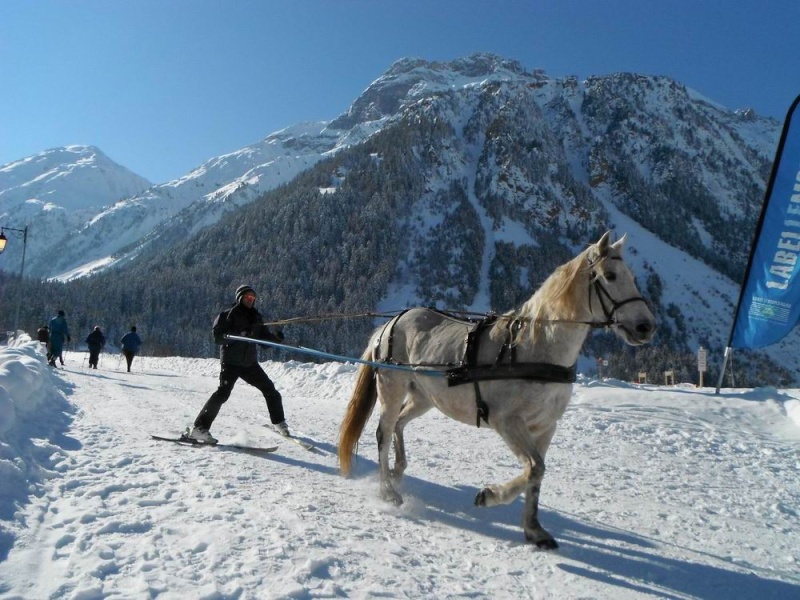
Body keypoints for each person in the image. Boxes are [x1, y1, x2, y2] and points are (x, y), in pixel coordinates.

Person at [188, 284, 287, 444]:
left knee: (270, 390)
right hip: (231, 362)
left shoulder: (256, 318)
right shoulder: (227, 315)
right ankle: (199, 429)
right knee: (223, 394)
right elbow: (218, 337)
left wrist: (277, 338)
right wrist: (239, 334)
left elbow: (264, 342)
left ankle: (279, 423)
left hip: (249, 364)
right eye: (248, 297)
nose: (251, 300)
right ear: (240, 298)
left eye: (253, 298)